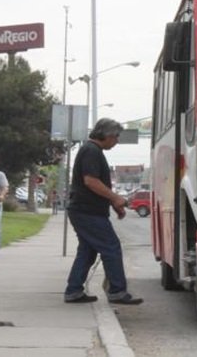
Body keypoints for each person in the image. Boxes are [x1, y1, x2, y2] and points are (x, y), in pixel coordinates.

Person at [64, 118, 143, 305]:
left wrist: (114, 203)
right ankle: (117, 291)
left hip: (86, 210)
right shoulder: (91, 151)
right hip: (87, 212)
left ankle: (73, 290)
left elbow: (97, 184)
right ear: (107, 135)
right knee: (111, 247)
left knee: (88, 250)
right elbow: (90, 181)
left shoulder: (92, 150)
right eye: (116, 137)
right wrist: (115, 198)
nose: (116, 141)